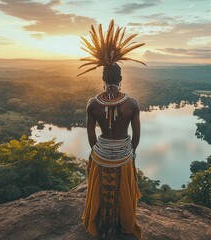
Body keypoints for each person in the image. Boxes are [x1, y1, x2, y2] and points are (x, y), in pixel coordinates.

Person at [80, 20, 145, 240]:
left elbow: (90, 135)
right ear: (120, 78)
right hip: (123, 157)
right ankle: (123, 224)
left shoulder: (92, 103)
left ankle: (100, 224)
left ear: (102, 77)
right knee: (123, 193)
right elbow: (136, 136)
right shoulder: (132, 104)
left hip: (101, 155)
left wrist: (97, 153)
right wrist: (131, 153)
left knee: (100, 192)